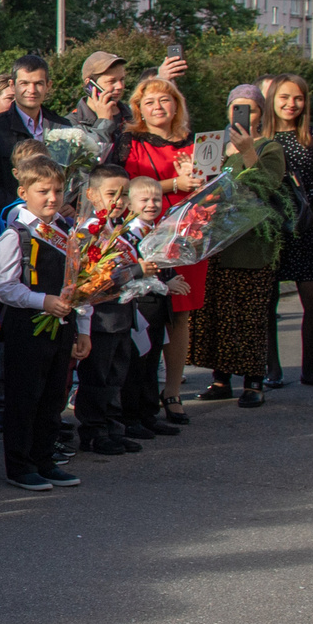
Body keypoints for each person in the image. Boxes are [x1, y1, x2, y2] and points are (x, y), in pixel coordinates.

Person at [0, 156, 91, 489]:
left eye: (58, 190)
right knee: (24, 397)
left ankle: (45, 458)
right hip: (26, 326)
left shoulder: (66, 232)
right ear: (24, 191)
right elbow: (4, 287)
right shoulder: (15, 234)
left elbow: (80, 283)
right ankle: (20, 465)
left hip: (62, 326)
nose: (52, 197)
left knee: (53, 397)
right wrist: (43, 301)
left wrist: (83, 329)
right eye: (43, 190)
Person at [191, 87, 290, 407]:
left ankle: (253, 381)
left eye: (249, 109)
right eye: (236, 108)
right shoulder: (214, 144)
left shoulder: (269, 147)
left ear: (261, 113)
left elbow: (266, 185)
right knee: (217, 313)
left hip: (252, 244)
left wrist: (248, 152)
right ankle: (221, 379)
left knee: (249, 315)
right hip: (215, 243)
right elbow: (202, 184)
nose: (242, 115)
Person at [119, 76, 206, 424]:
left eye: (165, 100)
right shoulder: (130, 141)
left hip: (188, 233)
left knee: (180, 313)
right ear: (138, 108)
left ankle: (172, 391)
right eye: (149, 102)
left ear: (177, 105)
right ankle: (140, 394)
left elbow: (210, 184)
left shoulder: (196, 143)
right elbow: (124, 186)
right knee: (148, 311)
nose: (158, 108)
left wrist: (200, 181)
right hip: (144, 232)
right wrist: (174, 184)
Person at [262, 74, 313, 390]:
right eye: (284, 98)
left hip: (304, 227)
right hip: (268, 228)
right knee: (266, 300)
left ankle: (310, 369)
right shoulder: (257, 135)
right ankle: (272, 368)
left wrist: (304, 200)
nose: (291, 104)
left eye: (298, 98)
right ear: (272, 100)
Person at [73, 168, 142, 455]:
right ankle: (94, 431)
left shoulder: (117, 229)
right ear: (91, 195)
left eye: (124, 194)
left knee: (116, 376)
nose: (119, 200)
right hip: (99, 318)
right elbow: (90, 280)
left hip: (122, 314)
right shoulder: (88, 233)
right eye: (111, 193)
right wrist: (138, 271)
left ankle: (114, 427)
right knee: (97, 378)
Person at [121, 177, 186, 440]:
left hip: (158, 307)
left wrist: (169, 279)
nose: (151, 204)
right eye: (144, 200)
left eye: (156, 199)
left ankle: (149, 414)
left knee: (152, 362)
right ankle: (130, 417)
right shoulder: (127, 235)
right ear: (129, 204)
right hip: (140, 307)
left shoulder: (158, 230)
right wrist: (165, 282)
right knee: (136, 364)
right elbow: (131, 272)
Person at [0, 54, 56, 212]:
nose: (32, 90)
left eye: (39, 84)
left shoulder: (62, 126)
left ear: (48, 85)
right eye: (24, 83)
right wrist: (22, 208)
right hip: (10, 218)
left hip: (55, 217)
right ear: (12, 85)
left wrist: (68, 203)